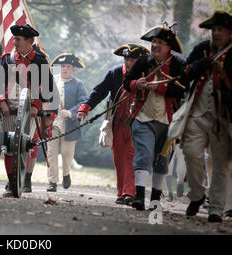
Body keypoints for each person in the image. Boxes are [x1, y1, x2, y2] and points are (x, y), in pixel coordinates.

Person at [123, 26, 187, 211]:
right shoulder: (143, 62)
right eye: (153, 42)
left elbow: (182, 88)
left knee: (161, 161)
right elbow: (128, 83)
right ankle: (139, 196)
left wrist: (156, 87)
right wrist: (137, 84)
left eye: (159, 43)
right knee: (144, 154)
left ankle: (155, 201)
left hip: (169, 121)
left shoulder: (178, 65)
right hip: (143, 117)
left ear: (169, 47)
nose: (154, 45)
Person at [77, 43, 150, 204]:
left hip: (138, 122)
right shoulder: (115, 73)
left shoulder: (147, 75)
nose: (129, 63)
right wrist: (85, 108)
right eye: (127, 59)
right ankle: (120, 193)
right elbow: (99, 91)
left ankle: (129, 193)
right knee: (119, 158)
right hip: (116, 122)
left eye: (133, 60)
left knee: (132, 156)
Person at [178, 11, 231, 222]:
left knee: (221, 165)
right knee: (191, 154)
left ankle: (216, 209)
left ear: (229, 32)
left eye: (220, 30)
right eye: (213, 30)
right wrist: (200, 66)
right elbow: (184, 72)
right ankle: (197, 195)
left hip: (223, 118)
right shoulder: (202, 49)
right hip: (197, 114)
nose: (216, 33)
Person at [0, 24, 58, 197]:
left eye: (18, 39)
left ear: (30, 41)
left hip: (29, 112)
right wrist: (1, 102)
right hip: (9, 110)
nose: (14, 42)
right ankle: (11, 181)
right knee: (8, 146)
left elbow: (49, 89)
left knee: (24, 146)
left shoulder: (39, 61)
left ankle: (19, 180)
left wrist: (37, 106)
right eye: (14, 39)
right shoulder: (6, 59)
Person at [46, 53, 88, 192]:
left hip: (70, 124)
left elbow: (84, 102)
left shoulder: (78, 84)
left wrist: (71, 112)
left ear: (73, 69)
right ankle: (52, 182)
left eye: (68, 66)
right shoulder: (52, 81)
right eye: (63, 66)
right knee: (51, 153)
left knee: (66, 152)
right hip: (53, 122)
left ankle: (66, 174)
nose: (65, 69)